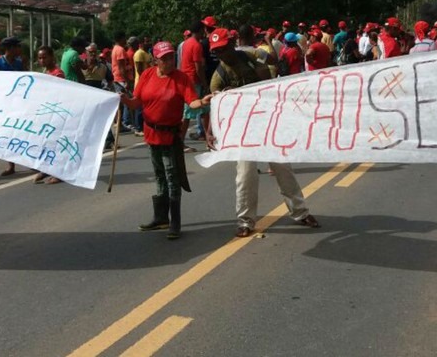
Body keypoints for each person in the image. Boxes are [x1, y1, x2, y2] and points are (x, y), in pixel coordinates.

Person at [206, 28, 320, 237]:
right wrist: (210, 131)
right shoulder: (218, 77)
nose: (221, 53)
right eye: (217, 51)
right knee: (245, 175)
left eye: (223, 48)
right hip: (242, 131)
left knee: (283, 168)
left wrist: (262, 68)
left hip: (266, 123)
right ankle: (245, 221)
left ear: (232, 44)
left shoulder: (249, 55)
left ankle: (300, 212)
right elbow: (216, 107)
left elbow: (273, 62)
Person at [119, 41, 211, 240]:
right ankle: (161, 218)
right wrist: (124, 100)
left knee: (171, 176)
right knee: (159, 174)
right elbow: (136, 103)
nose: (170, 61)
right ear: (155, 60)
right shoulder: (147, 75)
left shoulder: (181, 78)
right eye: (165, 58)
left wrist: (202, 102)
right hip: (151, 133)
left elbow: (192, 101)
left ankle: (175, 222)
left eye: (171, 57)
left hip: (170, 136)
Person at [0, 37, 25, 176]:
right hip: (4, 104)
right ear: (10, 48)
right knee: (8, 133)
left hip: (18, 103)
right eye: (17, 47)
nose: (19, 50)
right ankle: (11, 165)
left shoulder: (18, 63)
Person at [34, 46, 65, 184]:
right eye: (40, 58)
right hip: (45, 113)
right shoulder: (44, 73)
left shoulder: (58, 74)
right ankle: (47, 169)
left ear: (52, 57)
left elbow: (59, 94)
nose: (42, 60)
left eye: (44, 57)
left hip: (56, 113)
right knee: (45, 142)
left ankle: (58, 173)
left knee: (55, 143)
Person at [180, 21, 209, 147]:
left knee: (204, 110)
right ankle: (180, 141)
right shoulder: (197, 45)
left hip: (186, 79)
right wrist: (204, 82)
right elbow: (198, 68)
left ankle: (209, 138)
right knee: (188, 113)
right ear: (200, 30)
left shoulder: (186, 43)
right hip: (194, 81)